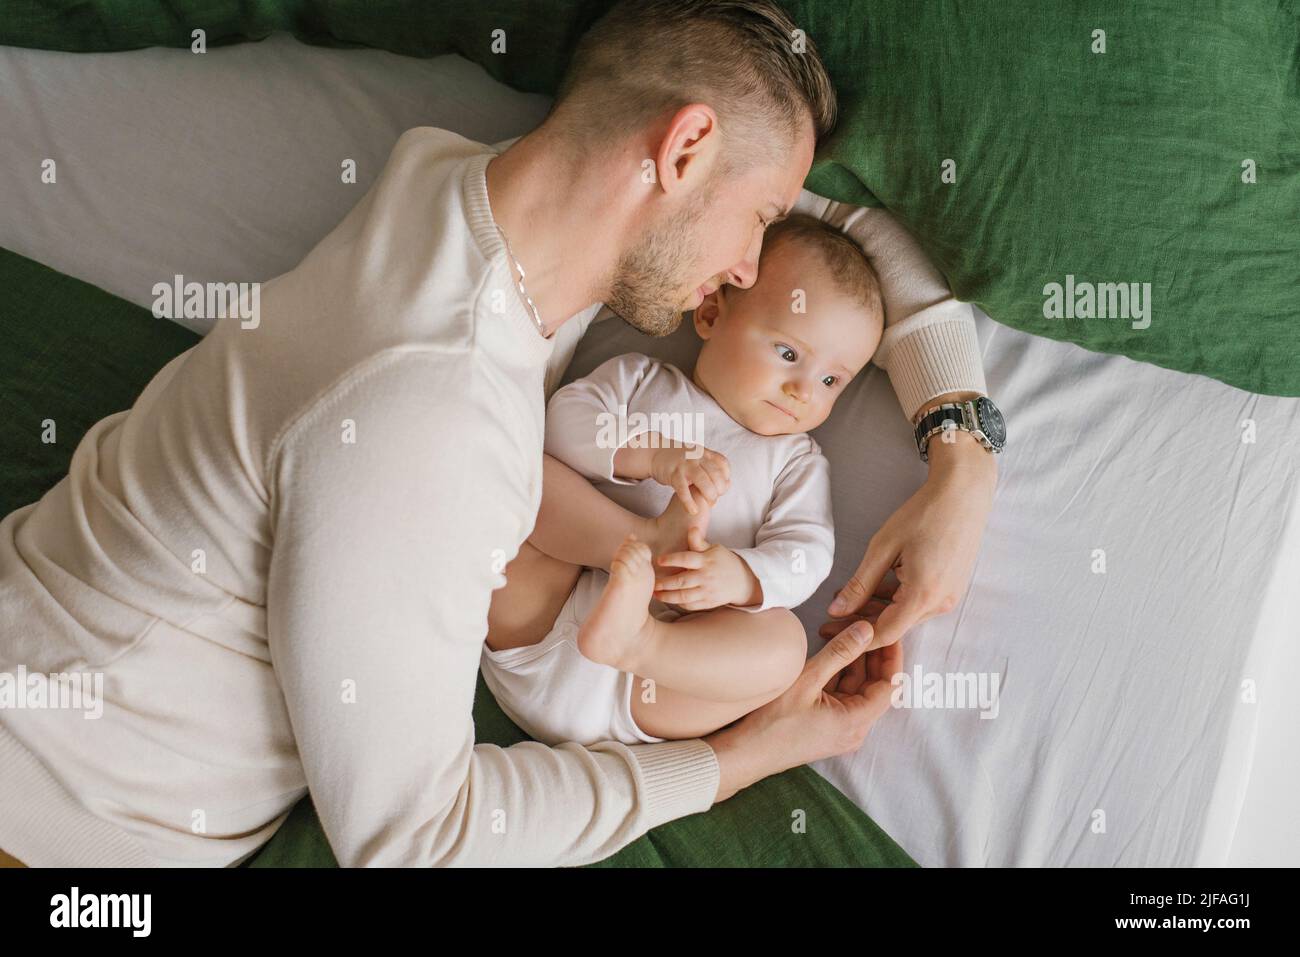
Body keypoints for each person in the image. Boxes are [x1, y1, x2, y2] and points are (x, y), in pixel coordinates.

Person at [0, 0, 994, 868]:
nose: (748, 268)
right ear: (684, 148)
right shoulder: (429, 414)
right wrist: (742, 758)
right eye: (759, 221)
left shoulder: (448, 177)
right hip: (58, 824)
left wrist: (962, 457)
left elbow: (851, 241)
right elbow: (413, 839)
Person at [482, 213, 885, 745]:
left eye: (832, 380)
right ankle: (641, 544)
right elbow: (562, 423)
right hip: (540, 614)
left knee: (784, 646)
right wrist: (652, 457)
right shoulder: (642, 379)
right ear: (712, 314)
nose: (803, 391)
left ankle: (636, 639)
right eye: (789, 354)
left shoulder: (796, 461)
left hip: (651, 686)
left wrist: (741, 576)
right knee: (522, 471)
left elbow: (806, 553)